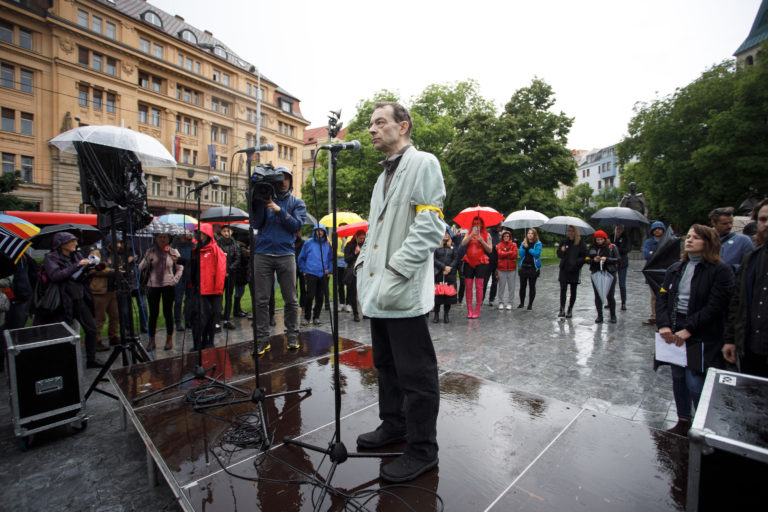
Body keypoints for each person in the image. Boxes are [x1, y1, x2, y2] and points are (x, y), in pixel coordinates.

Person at [354, 101, 445, 483]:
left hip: (401, 289)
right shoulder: (381, 177)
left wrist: (394, 271)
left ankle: (423, 449)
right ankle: (394, 425)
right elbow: (376, 231)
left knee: (416, 374)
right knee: (386, 365)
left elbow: (430, 226)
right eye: (370, 124)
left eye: (380, 123)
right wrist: (362, 267)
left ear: (403, 126)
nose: (372, 129)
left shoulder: (424, 163)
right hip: (379, 289)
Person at [656, 224, 734, 435]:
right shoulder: (676, 268)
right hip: (674, 329)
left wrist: (690, 328)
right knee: (678, 377)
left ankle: (702, 425)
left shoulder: (719, 271)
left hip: (699, 333)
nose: (689, 240)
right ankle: (683, 420)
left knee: (694, 380)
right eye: (688, 236)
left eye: (696, 238)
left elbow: (716, 305)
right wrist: (663, 324)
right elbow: (663, 297)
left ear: (708, 243)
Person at [251, 166, 306, 354]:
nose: (283, 181)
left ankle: (292, 334)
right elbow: (256, 223)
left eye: (286, 178)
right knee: (261, 300)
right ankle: (262, 338)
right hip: (263, 254)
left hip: (286, 254)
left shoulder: (297, 203)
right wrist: (257, 202)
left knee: (291, 299)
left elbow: (297, 226)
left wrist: (279, 210)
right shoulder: (265, 198)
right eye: (279, 178)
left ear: (291, 181)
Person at [41, 232, 103, 368]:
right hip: (62, 301)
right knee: (64, 333)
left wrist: (89, 271)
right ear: (62, 245)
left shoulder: (76, 256)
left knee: (91, 329)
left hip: (79, 297)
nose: (76, 244)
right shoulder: (51, 258)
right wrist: (77, 265)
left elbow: (79, 277)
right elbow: (56, 276)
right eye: (72, 241)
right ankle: (65, 361)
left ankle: (91, 359)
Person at [722, 199, 768, 377]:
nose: (766, 224)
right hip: (751, 350)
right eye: (762, 219)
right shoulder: (752, 258)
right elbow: (738, 301)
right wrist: (731, 339)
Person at [138, 233, 183, 351]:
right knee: (153, 314)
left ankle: (169, 339)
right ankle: (151, 340)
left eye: (165, 237)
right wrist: (148, 260)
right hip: (153, 285)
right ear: (156, 238)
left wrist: (175, 279)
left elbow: (180, 267)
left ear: (168, 239)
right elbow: (140, 267)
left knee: (168, 312)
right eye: (160, 237)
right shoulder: (150, 251)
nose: (162, 239)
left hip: (168, 285)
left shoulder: (173, 251)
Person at [188, 223, 226, 350]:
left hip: (212, 291)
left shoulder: (215, 250)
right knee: (197, 319)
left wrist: (217, 289)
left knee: (210, 318)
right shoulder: (196, 250)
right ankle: (197, 344)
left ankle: (209, 342)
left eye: (201, 233)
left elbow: (220, 270)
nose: (199, 236)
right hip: (199, 290)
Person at [298, 224, 333, 327]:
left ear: (324, 232)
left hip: (323, 274)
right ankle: (307, 317)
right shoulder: (308, 243)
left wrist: (329, 270)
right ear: (314, 231)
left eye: (321, 230)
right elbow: (301, 257)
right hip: (311, 272)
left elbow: (331, 259)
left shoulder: (327, 244)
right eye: (317, 230)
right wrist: (303, 269)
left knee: (320, 297)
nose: (319, 232)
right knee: (310, 296)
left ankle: (316, 317)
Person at [461, 217, 492, 318]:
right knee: (468, 286)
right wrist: (471, 236)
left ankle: (477, 309)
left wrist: (482, 241)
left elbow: (490, 250)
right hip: (469, 261)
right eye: (474, 223)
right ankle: (469, 310)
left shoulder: (487, 235)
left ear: (482, 224)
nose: (476, 225)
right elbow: (463, 244)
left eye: (478, 223)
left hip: (480, 262)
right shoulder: (468, 233)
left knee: (479, 286)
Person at [587, 230, 620, 323]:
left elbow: (618, 259)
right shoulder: (592, 248)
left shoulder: (612, 247)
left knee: (610, 295)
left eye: (601, 239)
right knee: (597, 295)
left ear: (605, 239)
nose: (599, 241)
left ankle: (613, 315)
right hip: (596, 272)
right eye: (597, 240)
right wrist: (594, 260)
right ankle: (599, 316)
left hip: (609, 272)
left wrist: (607, 259)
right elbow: (587, 259)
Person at [88, 247, 118, 350]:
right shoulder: (96, 252)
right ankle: (97, 340)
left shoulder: (115, 254)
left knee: (115, 315)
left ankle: (113, 336)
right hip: (99, 291)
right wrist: (114, 271)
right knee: (99, 318)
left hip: (112, 289)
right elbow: (93, 270)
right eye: (117, 242)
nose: (118, 245)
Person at [709, 206, 754, 272]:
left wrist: (731, 268)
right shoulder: (704, 240)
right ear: (713, 223)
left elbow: (751, 265)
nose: (729, 226)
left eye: (731, 222)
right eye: (725, 224)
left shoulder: (743, 240)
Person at [216, 225, 242, 330]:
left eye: (228, 231)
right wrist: (223, 271)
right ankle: (217, 320)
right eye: (224, 231)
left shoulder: (235, 244)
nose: (226, 233)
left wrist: (229, 270)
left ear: (231, 232)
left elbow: (238, 258)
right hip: (220, 274)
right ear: (221, 232)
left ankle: (227, 319)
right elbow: (217, 258)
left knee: (229, 296)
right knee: (219, 297)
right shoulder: (217, 244)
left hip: (231, 274)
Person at [557, 225, 587, 318]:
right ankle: (562, 309)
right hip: (564, 269)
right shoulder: (564, 242)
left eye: (572, 231)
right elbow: (559, 254)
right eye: (568, 231)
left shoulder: (580, 242)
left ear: (575, 232)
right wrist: (562, 251)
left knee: (573, 290)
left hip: (574, 269)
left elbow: (584, 255)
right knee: (563, 289)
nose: (570, 232)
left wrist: (577, 263)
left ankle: (570, 309)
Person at [642, 221, 666, 325]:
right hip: (652, 272)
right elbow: (646, 254)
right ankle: (654, 316)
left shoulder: (667, 240)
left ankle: (665, 316)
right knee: (654, 296)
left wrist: (654, 253)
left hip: (665, 272)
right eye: (655, 229)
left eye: (659, 228)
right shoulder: (649, 242)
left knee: (665, 294)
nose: (657, 230)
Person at [433, 229, 458, 323]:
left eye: (447, 234)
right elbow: (433, 259)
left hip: (449, 274)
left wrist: (449, 268)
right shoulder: (436, 246)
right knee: (438, 295)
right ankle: (436, 314)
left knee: (448, 296)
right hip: (438, 273)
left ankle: (446, 314)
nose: (446, 235)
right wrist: (443, 267)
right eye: (444, 233)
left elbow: (455, 258)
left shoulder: (453, 245)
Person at [171, 232, 194, 331]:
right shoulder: (175, 244)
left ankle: (188, 320)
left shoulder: (192, 245)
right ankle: (178, 321)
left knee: (189, 299)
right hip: (179, 275)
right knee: (178, 300)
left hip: (190, 275)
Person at [343, 229, 366, 322]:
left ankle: (365, 312)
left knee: (364, 292)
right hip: (353, 271)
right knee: (353, 293)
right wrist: (355, 253)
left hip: (364, 270)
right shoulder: (349, 245)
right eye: (360, 238)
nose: (362, 240)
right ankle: (355, 313)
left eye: (364, 238)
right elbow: (347, 259)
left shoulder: (365, 246)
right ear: (356, 237)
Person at [517, 228, 542, 310]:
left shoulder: (538, 244)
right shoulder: (524, 243)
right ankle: (521, 303)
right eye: (528, 233)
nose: (530, 235)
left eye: (532, 233)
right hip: (524, 266)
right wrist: (524, 246)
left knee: (532, 286)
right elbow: (521, 254)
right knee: (522, 286)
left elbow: (537, 254)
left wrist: (528, 248)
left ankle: (530, 304)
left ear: (535, 235)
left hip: (532, 267)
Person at [495, 230, 518, 310]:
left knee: (511, 287)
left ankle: (510, 303)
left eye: (507, 236)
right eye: (504, 236)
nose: (506, 238)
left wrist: (505, 252)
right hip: (501, 269)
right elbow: (500, 254)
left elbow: (514, 254)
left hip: (511, 269)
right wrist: (509, 252)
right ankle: (500, 302)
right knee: (501, 287)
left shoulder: (514, 244)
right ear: (502, 237)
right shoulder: (499, 245)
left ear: (510, 237)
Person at [612, 224, 631, 311]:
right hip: (612, 262)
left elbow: (627, 249)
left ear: (622, 230)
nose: (618, 231)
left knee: (622, 284)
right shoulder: (612, 237)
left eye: (620, 229)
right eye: (617, 229)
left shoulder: (625, 238)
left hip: (622, 263)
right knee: (611, 283)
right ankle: (610, 301)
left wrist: (617, 248)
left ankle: (623, 302)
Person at [484, 224, 502, 308]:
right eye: (499, 227)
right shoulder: (487, 232)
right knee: (485, 280)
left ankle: (491, 298)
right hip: (488, 260)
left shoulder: (500, 234)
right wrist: (494, 246)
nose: (500, 228)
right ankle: (481, 298)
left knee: (495, 281)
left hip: (497, 261)